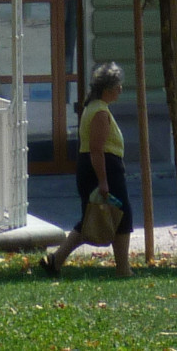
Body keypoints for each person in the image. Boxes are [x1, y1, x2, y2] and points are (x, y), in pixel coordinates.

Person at [41, 61, 133, 276]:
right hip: (104, 168)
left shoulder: (94, 108)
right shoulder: (100, 112)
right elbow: (97, 150)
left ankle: (56, 260)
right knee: (122, 216)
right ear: (108, 88)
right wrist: (103, 181)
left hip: (94, 167)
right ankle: (123, 269)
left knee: (91, 218)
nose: (120, 89)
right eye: (118, 85)